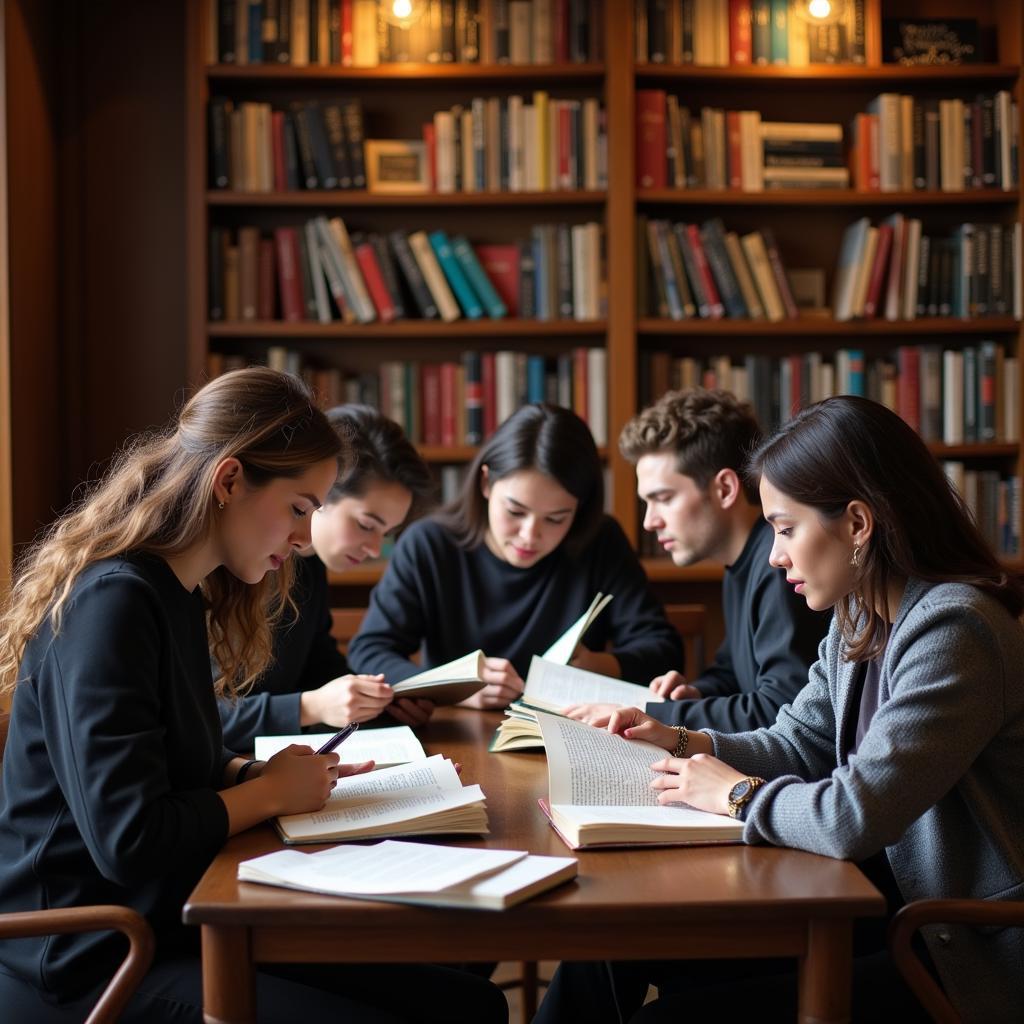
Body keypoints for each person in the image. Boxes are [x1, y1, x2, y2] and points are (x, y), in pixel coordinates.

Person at [0, 368, 507, 1024]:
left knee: (469, 1004)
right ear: (230, 480)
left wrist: (256, 772)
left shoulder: (174, 595)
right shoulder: (115, 602)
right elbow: (130, 838)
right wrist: (270, 795)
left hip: (170, 921)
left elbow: (175, 763)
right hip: (93, 960)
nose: (303, 540)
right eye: (300, 508)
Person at [535, 395, 1024, 1024]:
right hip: (871, 902)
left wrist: (735, 795)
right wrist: (683, 742)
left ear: (856, 523)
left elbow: (854, 814)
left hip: (948, 944)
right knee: (605, 947)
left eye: (786, 528)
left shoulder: (956, 631)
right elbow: (798, 742)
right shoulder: (859, 615)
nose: (773, 555)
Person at [348, 403, 682, 709]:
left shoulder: (600, 541)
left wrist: (600, 665)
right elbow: (370, 652)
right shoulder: (430, 544)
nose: (529, 535)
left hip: (571, 734)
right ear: (486, 483)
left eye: (555, 519)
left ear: (579, 510)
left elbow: (662, 648)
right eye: (515, 510)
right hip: (458, 737)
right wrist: (455, 686)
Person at [565, 388, 829, 733]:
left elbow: (780, 708)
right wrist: (696, 693)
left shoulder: (779, 566)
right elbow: (733, 673)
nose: (650, 521)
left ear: (724, 489)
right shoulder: (742, 561)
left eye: (663, 498)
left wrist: (652, 713)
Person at [218, 404, 436, 752]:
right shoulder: (225, 569)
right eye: (366, 525)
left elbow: (320, 667)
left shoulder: (309, 565)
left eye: (388, 534)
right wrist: (312, 706)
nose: (374, 549)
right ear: (322, 492)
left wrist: (379, 700)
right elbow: (197, 718)